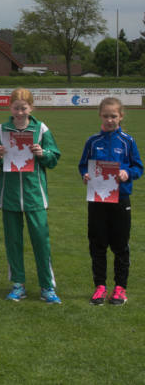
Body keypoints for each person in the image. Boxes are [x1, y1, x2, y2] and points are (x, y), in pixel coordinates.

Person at [0, 87, 62, 303]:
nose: (19, 112)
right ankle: (18, 284)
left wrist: (43, 153)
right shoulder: (0, 130)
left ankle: (47, 286)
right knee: (13, 241)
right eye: (16, 108)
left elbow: (54, 158)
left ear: (31, 108)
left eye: (24, 108)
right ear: (10, 107)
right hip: (9, 195)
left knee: (41, 240)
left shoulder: (41, 129)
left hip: (34, 194)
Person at [78, 97, 142, 305]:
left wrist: (126, 173)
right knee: (97, 244)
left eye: (113, 116)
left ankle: (120, 288)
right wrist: (86, 175)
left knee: (120, 245)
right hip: (97, 200)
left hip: (120, 199)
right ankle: (100, 287)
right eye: (106, 116)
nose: (109, 120)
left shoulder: (128, 141)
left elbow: (139, 167)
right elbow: (82, 166)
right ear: (100, 116)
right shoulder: (92, 141)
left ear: (121, 116)